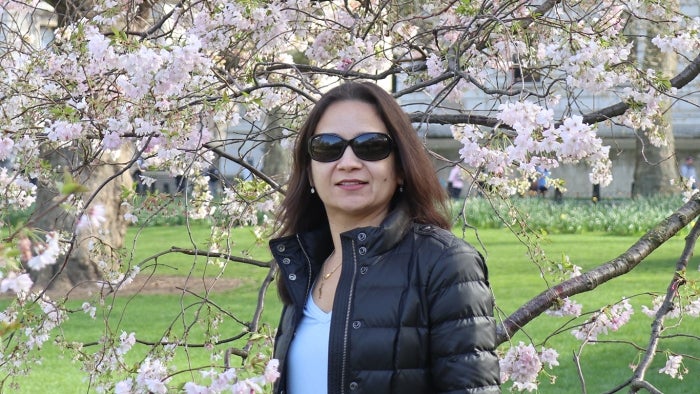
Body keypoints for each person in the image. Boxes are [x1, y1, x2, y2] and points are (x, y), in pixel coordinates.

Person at [269, 82, 500, 394]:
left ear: (401, 167)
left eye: (371, 146)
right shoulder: (305, 267)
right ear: (310, 171)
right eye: (326, 147)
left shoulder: (445, 264)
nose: (348, 162)